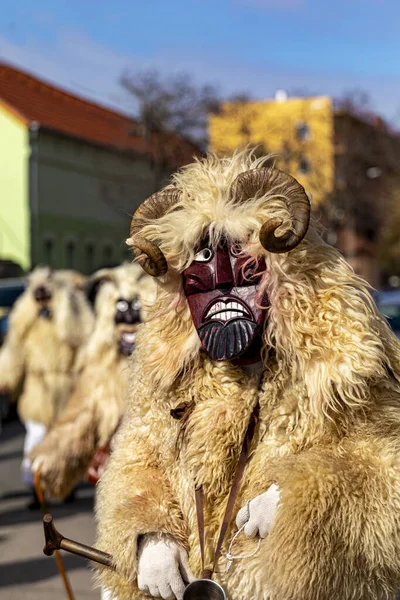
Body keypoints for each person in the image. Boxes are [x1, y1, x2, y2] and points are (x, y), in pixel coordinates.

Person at [95, 149, 400, 600]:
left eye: (239, 256)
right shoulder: (166, 378)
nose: (219, 275)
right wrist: (147, 535)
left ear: (286, 276)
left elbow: (387, 465)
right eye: (201, 258)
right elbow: (138, 463)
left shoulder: (341, 369)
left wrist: (313, 497)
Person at [31, 263, 156, 500]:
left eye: (136, 307)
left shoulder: (169, 368)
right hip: (121, 484)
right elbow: (81, 418)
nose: (128, 317)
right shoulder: (101, 371)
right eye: (120, 308)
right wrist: (55, 454)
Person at [0, 266, 93, 508]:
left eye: (46, 295)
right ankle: (36, 487)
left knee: (65, 441)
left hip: (66, 386)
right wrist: (7, 379)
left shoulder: (70, 312)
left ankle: (66, 485)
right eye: (38, 295)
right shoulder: (25, 317)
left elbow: (82, 342)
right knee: (36, 439)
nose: (43, 300)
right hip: (37, 388)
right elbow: (14, 349)